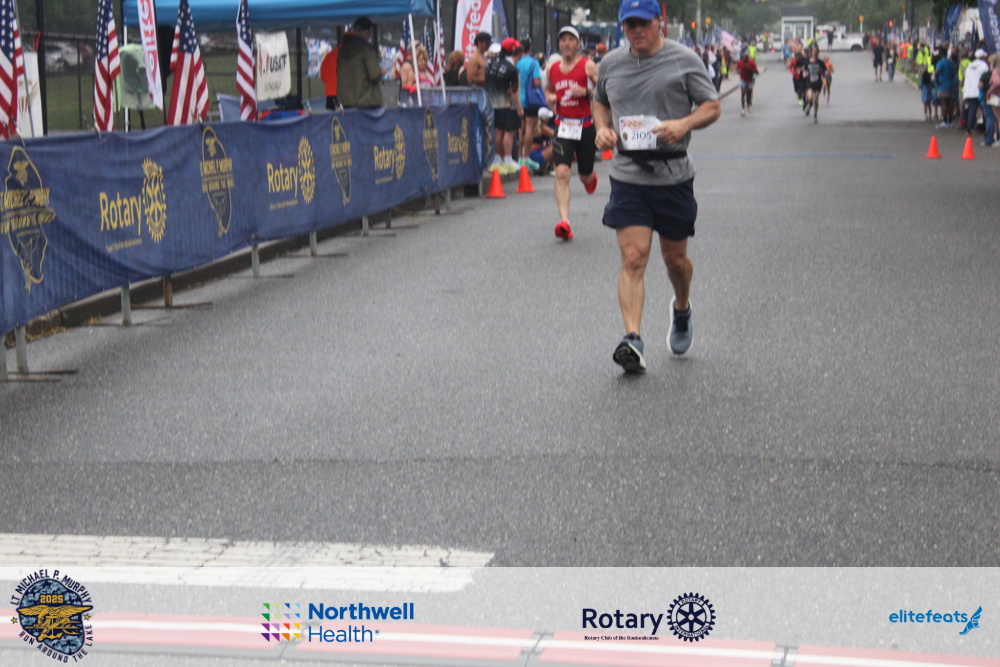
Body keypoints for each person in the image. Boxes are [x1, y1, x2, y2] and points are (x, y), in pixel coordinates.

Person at [593, 0, 720, 371]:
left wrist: (683, 124)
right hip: (628, 173)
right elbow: (600, 101)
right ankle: (632, 339)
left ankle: (682, 307)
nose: (636, 31)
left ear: (659, 22)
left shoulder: (684, 59)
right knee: (633, 257)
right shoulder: (611, 64)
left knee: (675, 261)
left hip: (672, 174)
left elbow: (711, 106)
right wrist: (602, 128)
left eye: (643, 23)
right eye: (629, 24)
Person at [546, 25, 600, 241]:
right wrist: (550, 97)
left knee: (584, 175)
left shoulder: (588, 66)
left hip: (585, 127)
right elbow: (549, 89)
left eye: (571, 40)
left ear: (578, 44)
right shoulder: (553, 68)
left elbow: (606, 90)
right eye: (563, 40)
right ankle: (564, 222)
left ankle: (590, 178)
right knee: (562, 172)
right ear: (559, 44)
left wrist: (585, 92)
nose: (567, 44)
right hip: (563, 126)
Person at [485, 37, 523, 174]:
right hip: (502, 104)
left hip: (486, 103)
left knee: (492, 133)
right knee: (501, 133)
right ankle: (498, 160)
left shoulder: (488, 63)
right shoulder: (511, 68)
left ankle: (497, 159)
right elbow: (513, 90)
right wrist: (519, 107)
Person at [337, 16, 383, 108]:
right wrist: (381, 72)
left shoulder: (342, 50)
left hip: (345, 101)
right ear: (369, 31)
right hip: (366, 102)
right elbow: (374, 75)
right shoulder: (367, 50)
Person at [516, 38, 543, 170]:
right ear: (530, 48)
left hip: (518, 99)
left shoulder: (516, 62)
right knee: (529, 129)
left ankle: (519, 157)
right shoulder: (534, 63)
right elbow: (536, 82)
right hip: (531, 100)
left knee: (520, 129)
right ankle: (526, 157)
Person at [962, 49, 990, 139]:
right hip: (980, 91)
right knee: (985, 110)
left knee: (972, 111)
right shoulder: (984, 65)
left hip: (970, 92)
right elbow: (986, 78)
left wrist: (965, 93)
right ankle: (984, 129)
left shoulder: (970, 65)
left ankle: (969, 130)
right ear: (983, 57)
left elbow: (966, 79)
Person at [802, 46, 826, 123]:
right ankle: (809, 106)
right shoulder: (807, 61)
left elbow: (824, 73)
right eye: (813, 51)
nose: (814, 53)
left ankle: (815, 114)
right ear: (811, 52)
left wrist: (822, 73)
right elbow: (804, 69)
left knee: (816, 99)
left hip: (818, 82)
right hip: (809, 82)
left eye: (816, 52)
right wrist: (804, 73)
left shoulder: (821, 62)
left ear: (818, 53)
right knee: (810, 97)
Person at [736, 51, 758, 116]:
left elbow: (756, 72)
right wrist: (738, 72)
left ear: (748, 58)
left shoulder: (751, 63)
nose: (744, 59)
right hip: (743, 80)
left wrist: (754, 78)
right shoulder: (740, 62)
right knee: (743, 93)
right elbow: (737, 69)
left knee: (749, 93)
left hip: (750, 80)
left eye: (746, 57)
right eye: (743, 57)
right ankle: (743, 109)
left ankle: (749, 104)